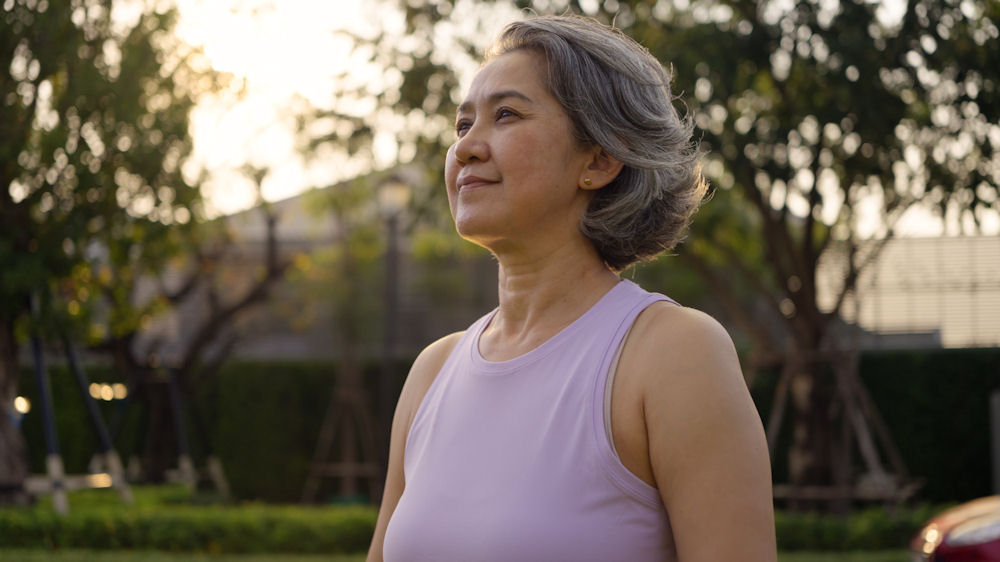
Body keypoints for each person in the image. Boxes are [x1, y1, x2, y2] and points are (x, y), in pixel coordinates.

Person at [367, 14, 775, 562]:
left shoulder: (674, 353)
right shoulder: (432, 372)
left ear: (600, 159)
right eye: (463, 125)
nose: (465, 148)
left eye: (506, 115)